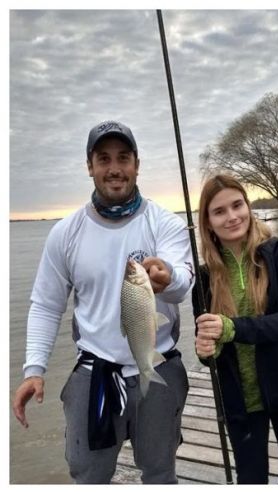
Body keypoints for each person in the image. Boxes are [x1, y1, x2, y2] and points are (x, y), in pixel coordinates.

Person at [12, 120, 193, 484]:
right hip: (94, 372)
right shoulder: (66, 232)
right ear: (90, 166)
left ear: (137, 164)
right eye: (104, 158)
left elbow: (182, 285)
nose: (114, 168)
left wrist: (167, 277)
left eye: (123, 158)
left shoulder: (164, 223)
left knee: (160, 472)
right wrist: (34, 369)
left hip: (159, 366)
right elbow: (47, 305)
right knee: (87, 474)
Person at [193, 174, 278, 484]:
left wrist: (231, 328)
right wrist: (205, 350)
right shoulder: (204, 277)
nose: (232, 216)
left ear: (248, 208)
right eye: (219, 211)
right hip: (240, 400)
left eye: (238, 205)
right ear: (207, 222)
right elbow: (209, 347)